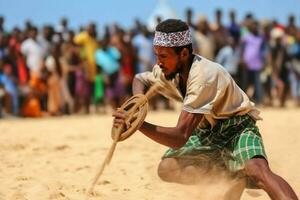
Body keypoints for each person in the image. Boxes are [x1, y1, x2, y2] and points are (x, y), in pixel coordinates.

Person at [113, 19, 298, 200]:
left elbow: (180, 137)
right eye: (157, 55)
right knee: (167, 168)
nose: (158, 62)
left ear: (183, 54)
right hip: (206, 130)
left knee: (258, 171)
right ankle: (232, 174)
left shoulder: (203, 76)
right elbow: (140, 79)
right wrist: (137, 104)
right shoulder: (169, 70)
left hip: (237, 127)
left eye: (163, 56)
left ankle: (241, 171)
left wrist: (137, 124)